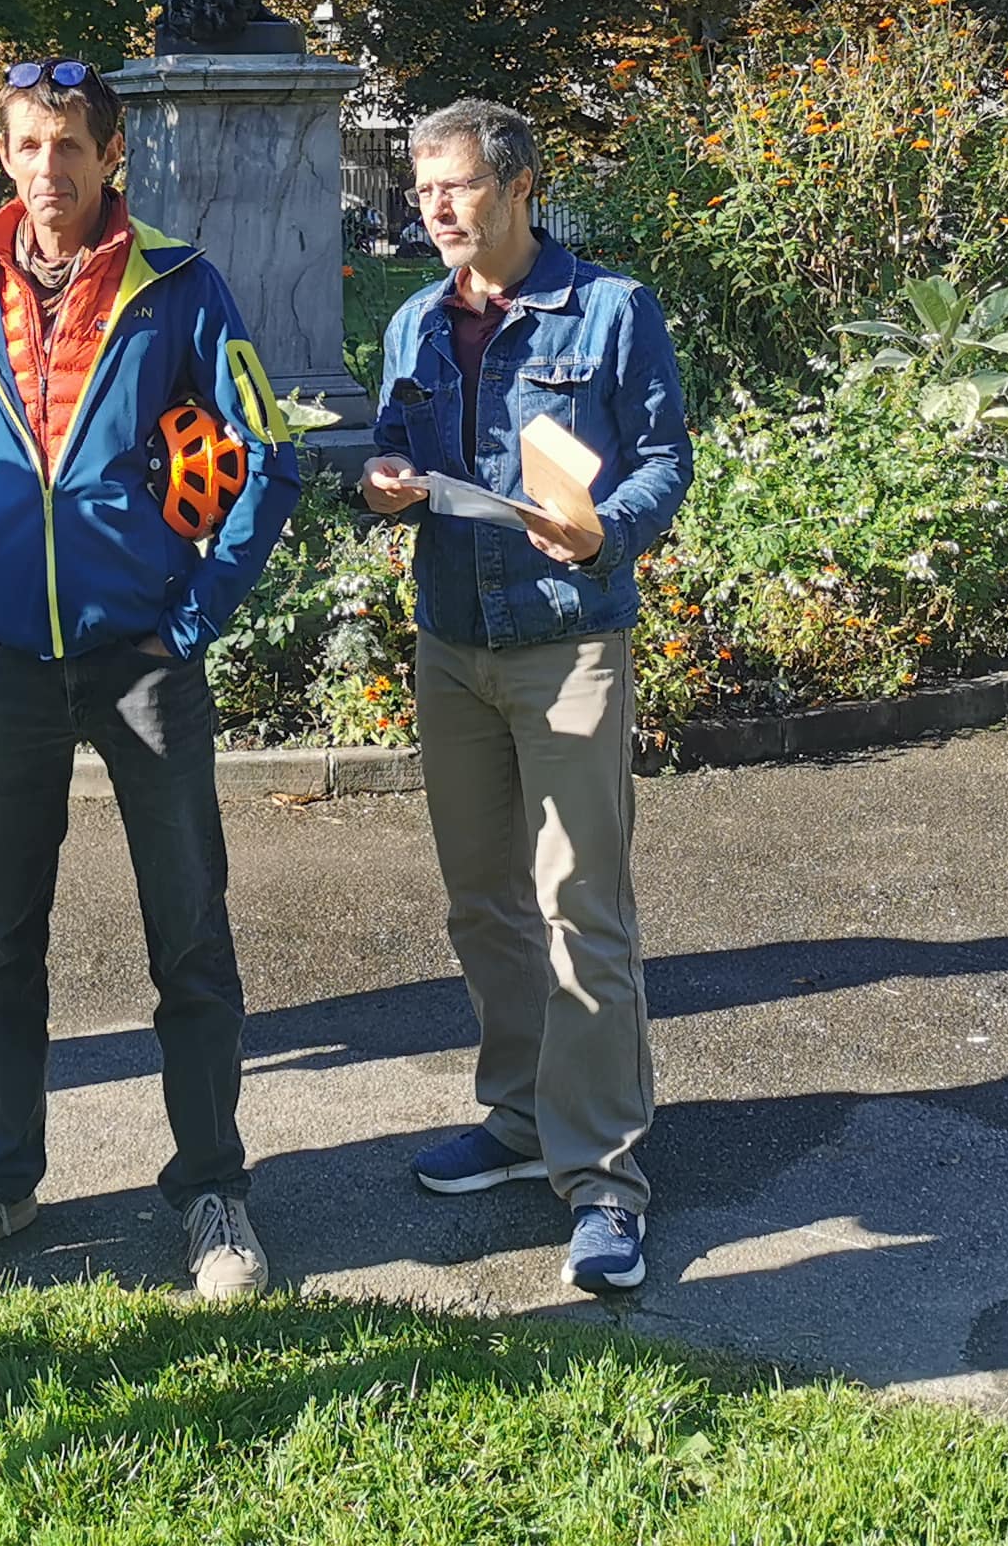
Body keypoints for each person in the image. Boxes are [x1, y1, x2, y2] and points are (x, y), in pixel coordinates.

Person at [0, 59, 304, 1300]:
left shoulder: (178, 285)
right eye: (26, 145)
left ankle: (214, 1191)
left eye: (69, 145)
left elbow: (265, 458)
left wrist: (195, 612)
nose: (46, 169)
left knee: (188, 930)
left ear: (109, 154)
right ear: (5, 154)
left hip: (143, 661)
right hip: (10, 665)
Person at [359, 97, 690, 1296]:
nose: (435, 208)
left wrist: (608, 533)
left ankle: (604, 1178)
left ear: (520, 188)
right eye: (423, 188)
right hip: (453, 644)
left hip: (568, 646)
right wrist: (385, 477)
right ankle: (515, 1117)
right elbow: (396, 442)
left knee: (580, 910)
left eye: (455, 187)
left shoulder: (609, 311)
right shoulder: (414, 322)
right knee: (482, 903)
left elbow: (666, 462)